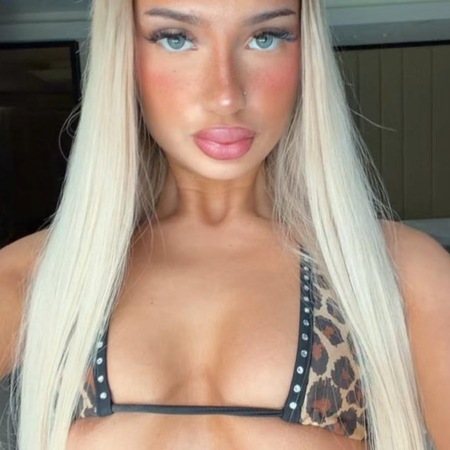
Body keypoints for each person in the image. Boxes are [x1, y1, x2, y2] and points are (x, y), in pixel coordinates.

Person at [0, 0, 449, 449]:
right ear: (125, 55)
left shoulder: (398, 273)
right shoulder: (40, 276)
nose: (226, 96)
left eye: (264, 38)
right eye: (176, 38)